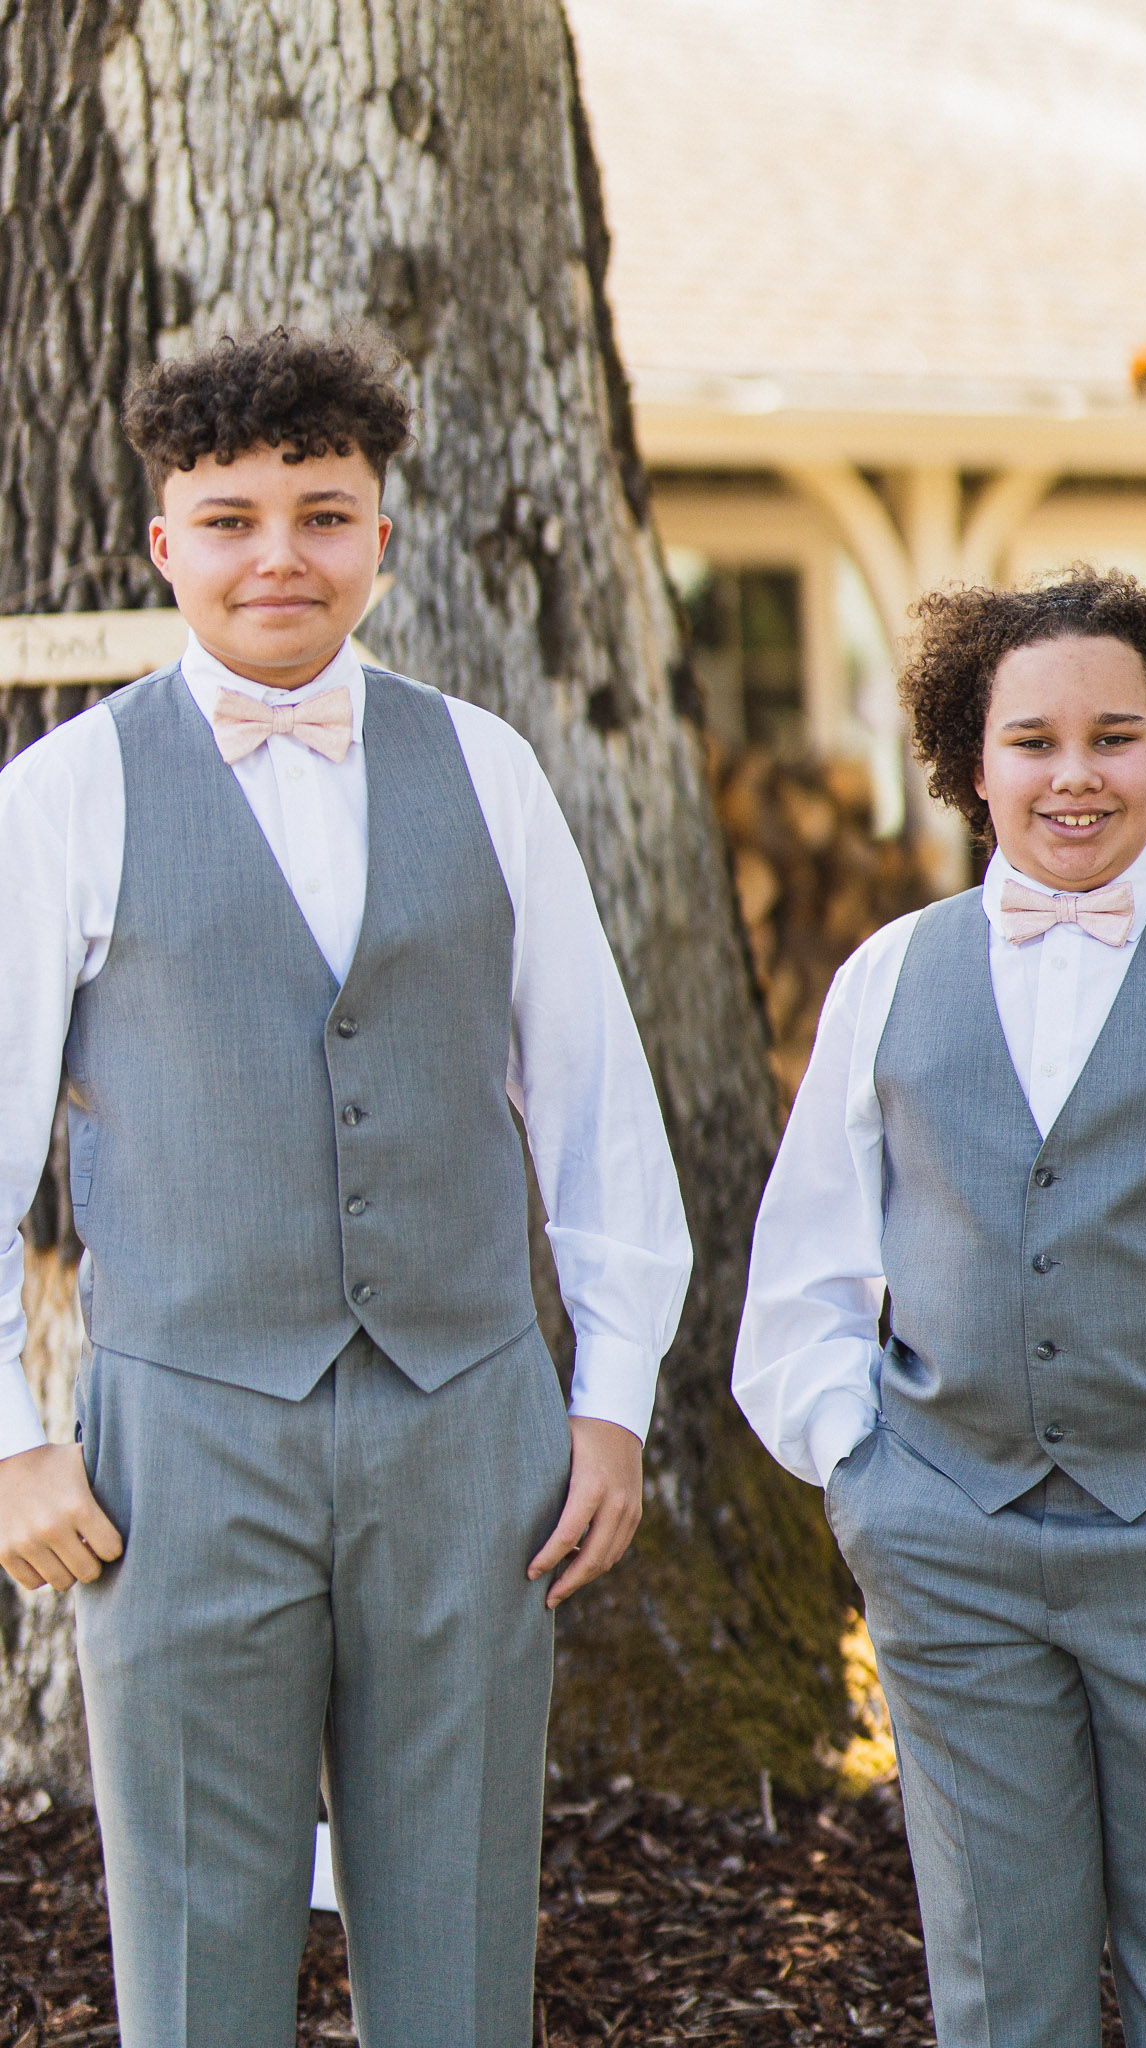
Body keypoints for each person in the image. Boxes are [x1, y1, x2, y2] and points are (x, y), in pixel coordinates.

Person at [0, 327, 691, 2048]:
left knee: (459, 1922)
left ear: (381, 533)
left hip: (468, 1426)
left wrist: (610, 1403)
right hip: (181, 1442)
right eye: (230, 520)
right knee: (194, 1937)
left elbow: (595, 1106)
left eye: (322, 514)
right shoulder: (65, 796)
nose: (279, 557)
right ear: (163, 543)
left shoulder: (487, 768)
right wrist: (11, 1440)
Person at [734, 566, 1146, 2048]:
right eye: (1032, 740)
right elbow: (807, 1263)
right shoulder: (886, 978)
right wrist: (860, 1471)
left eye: (1113, 737)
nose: (1073, 774)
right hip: (948, 1545)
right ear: (971, 761)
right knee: (996, 1982)